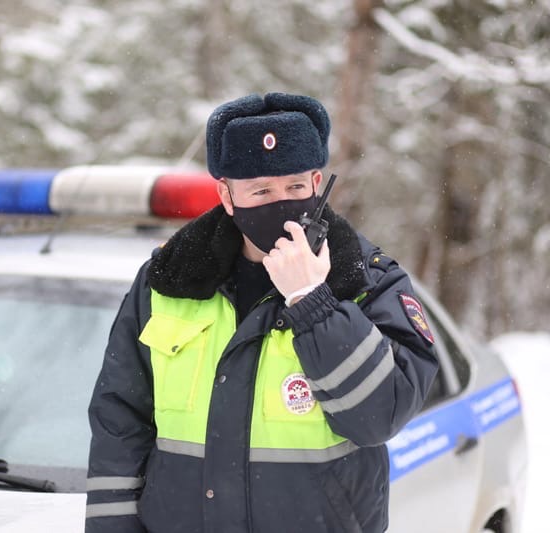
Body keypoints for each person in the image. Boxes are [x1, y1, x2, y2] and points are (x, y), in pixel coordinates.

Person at [84, 92, 438, 533]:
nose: (281, 203)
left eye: (294, 187)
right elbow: (119, 418)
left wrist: (313, 302)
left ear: (317, 183)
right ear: (227, 197)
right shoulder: (170, 279)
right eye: (261, 191)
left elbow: (380, 416)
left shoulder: (366, 280)